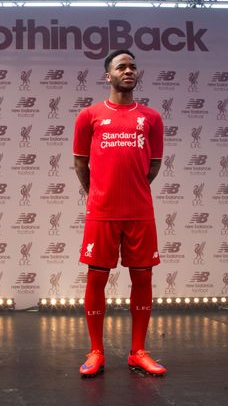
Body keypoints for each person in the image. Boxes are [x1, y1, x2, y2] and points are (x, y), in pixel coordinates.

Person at [73, 49, 166, 377]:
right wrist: (100, 193)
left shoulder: (151, 118)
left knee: (143, 277)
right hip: (102, 212)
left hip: (140, 212)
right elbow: (81, 164)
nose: (129, 71)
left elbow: (153, 166)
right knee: (96, 278)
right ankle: (96, 350)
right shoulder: (89, 115)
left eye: (133, 67)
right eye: (121, 67)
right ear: (107, 75)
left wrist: (133, 189)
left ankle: (138, 351)